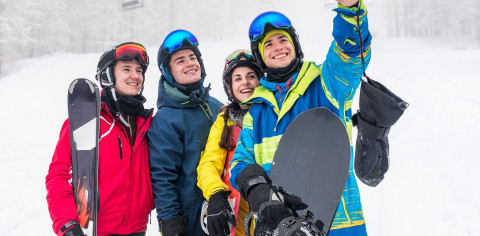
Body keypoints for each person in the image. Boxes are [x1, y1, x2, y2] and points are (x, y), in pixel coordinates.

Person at [229, 0, 372, 235]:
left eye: (283, 40)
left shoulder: (327, 84)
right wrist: (258, 191)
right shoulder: (257, 110)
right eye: (269, 44)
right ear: (261, 57)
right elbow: (241, 160)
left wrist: (350, 9)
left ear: (295, 45)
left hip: (338, 225)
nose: (278, 47)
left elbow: (351, 52)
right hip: (281, 227)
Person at [46, 42, 154, 236]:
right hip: (97, 230)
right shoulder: (88, 120)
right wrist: (67, 223)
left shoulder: (146, 124)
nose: (135, 76)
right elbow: (58, 174)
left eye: (139, 71)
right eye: (126, 69)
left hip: (138, 230)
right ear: (107, 76)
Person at [148, 29, 223, 236]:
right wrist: (171, 222)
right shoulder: (165, 120)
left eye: (193, 57)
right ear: (168, 72)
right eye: (180, 61)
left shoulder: (216, 106)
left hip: (224, 208)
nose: (190, 63)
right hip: (191, 219)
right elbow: (162, 177)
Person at [197, 49, 263, 236]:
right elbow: (209, 164)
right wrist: (216, 194)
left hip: (270, 214)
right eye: (238, 78)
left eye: (251, 76)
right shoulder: (224, 121)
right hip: (237, 219)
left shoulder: (272, 115)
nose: (245, 83)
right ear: (230, 86)